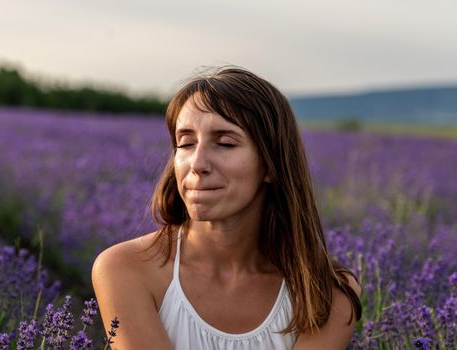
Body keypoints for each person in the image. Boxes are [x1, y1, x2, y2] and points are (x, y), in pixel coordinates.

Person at [92, 67, 362, 350]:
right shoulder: (126, 269)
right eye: (185, 143)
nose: (197, 164)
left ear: (271, 165)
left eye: (225, 143)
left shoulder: (326, 292)